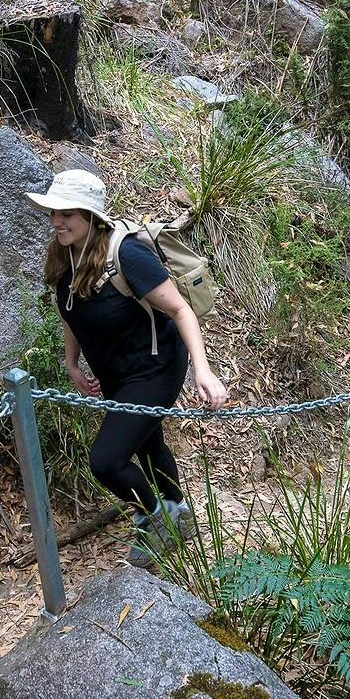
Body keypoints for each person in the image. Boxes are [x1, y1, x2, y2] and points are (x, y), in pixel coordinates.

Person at [26, 169, 229, 567]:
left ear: (91, 216)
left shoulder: (127, 256)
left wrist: (202, 372)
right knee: (145, 440)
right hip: (116, 370)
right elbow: (70, 310)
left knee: (107, 460)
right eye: (53, 212)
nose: (57, 221)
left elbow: (180, 310)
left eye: (67, 213)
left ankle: (154, 517)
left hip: (156, 367)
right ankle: (177, 513)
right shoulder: (65, 252)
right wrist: (71, 362)